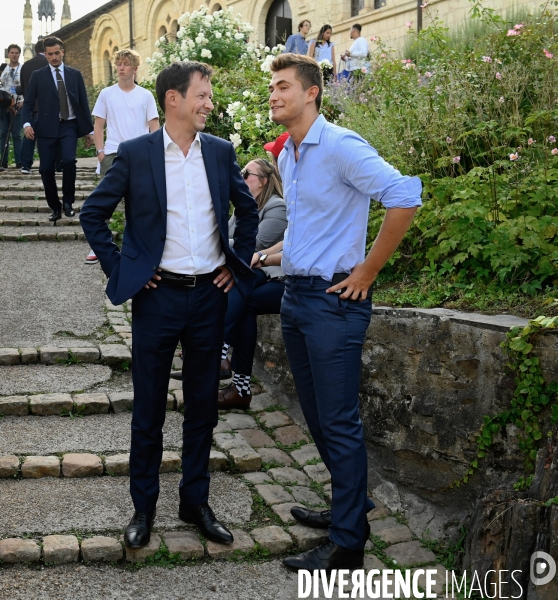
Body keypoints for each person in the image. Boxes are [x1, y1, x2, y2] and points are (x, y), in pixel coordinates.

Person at [80, 61, 259, 550]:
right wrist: (126, 270)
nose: (209, 103)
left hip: (208, 298)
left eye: (210, 95)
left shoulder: (221, 153)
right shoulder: (137, 155)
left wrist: (235, 263)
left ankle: (195, 501)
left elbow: (247, 212)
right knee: (149, 409)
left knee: (203, 406)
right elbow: (93, 214)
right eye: (202, 95)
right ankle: (144, 508)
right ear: (173, 99)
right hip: (156, 299)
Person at [265, 53, 422, 571]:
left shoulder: (339, 145)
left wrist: (367, 273)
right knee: (317, 417)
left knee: (339, 422)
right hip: (296, 298)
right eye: (272, 87)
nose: (274, 94)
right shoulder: (289, 156)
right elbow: (308, 226)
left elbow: (404, 196)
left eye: (284, 86)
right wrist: (272, 254)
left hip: (334, 302)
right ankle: (348, 505)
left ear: (312, 93)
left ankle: (348, 544)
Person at [216, 158, 287, 409]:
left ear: (264, 181)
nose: (242, 177)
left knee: (236, 284)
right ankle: (239, 386)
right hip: (256, 273)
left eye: (247, 173)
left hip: (277, 276)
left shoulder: (276, 206)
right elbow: (223, 237)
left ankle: (220, 351)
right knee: (242, 299)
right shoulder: (243, 209)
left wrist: (224, 243)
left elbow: (254, 246)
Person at [84, 49, 160, 265]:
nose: (120, 67)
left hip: (140, 155)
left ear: (135, 69)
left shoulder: (145, 95)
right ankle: (98, 246)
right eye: (118, 63)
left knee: (139, 204)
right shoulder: (107, 94)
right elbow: (99, 125)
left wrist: (154, 155)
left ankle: (136, 248)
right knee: (104, 204)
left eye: (125, 64)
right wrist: (100, 152)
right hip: (112, 154)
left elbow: (154, 128)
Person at [22, 36, 94, 222]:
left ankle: (68, 203)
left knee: (69, 161)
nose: (54, 57)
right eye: (50, 54)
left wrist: (89, 130)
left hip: (68, 125)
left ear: (62, 51)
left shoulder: (74, 74)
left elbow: (83, 103)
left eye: (57, 53)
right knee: (46, 169)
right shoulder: (38, 76)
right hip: (45, 128)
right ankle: (55, 207)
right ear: (45, 54)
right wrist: (27, 124)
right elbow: (28, 103)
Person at [18, 40, 48, 175]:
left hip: (29, 106)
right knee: (48, 137)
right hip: (45, 106)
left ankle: (25, 165)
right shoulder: (49, 63)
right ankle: (50, 164)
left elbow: (23, 88)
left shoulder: (25, 66)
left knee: (29, 135)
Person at [0, 44, 23, 170]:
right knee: (3, 133)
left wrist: (23, 101)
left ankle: (19, 161)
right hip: (4, 107)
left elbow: (27, 87)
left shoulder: (23, 70)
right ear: (8, 54)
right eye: (12, 52)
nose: (14, 55)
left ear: (19, 54)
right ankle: (3, 161)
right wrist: (7, 104)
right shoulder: (3, 70)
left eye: (16, 53)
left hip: (18, 105)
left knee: (17, 134)